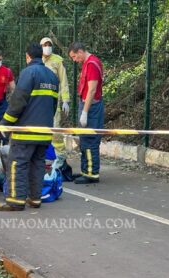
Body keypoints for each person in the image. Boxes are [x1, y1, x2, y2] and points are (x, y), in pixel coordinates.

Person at [0, 43, 59, 211]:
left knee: (18, 164)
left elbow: (18, 102)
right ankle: (35, 199)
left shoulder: (28, 73)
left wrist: (5, 123)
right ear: (42, 56)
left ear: (28, 56)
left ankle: (15, 201)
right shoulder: (52, 77)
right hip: (44, 132)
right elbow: (53, 106)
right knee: (38, 164)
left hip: (25, 132)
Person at [68, 42, 104, 184]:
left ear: (80, 52)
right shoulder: (87, 63)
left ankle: (92, 173)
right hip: (87, 104)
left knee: (90, 139)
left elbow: (92, 90)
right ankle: (85, 170)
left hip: (92, 107)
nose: (74, 60)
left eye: (74, 56)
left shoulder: (92, 64)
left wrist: (85, 112)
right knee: (84, 139)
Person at [40, 37, 71, 169]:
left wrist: (65, 100)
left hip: (54, 101)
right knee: (40, 130)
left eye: (49, 45)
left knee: (55, 129)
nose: (47, 47)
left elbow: (63, 81)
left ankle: (61, 157)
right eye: (45, 45)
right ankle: (44, 157)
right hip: (39, 101)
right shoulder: (37, 60)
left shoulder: (57, 60)